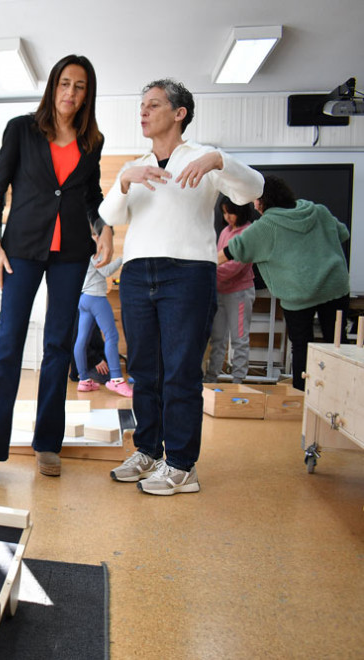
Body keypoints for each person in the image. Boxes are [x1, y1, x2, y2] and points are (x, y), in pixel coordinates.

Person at [100, 79, 263, 496]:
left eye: (153, 105)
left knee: (180, 370)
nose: (143, 112)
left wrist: (218, 161)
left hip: (188, 273)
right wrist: (123, 181)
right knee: (144, 370)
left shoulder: (203, 158)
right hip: (137, 273)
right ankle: (149, 452)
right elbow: (109, 215)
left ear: (179, 113)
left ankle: (182, 465)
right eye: (141, 105)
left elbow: (255, 188)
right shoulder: (134, 165)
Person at [0, 54, 113, 484]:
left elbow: (91, 195)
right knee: (8, 343)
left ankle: (47, 443)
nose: (71, 93)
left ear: (88, 94)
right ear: (53, 86)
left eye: (80, 86)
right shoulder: (21, 129)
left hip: (71, 252)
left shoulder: (92, 141)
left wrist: (103, 228)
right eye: (65, 83)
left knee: (58, 344)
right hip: (22, 249)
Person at [219, 175, 350, 390]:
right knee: (337, 344)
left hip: (299, 294)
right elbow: (342, 233)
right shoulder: (318, 210)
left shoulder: (268, 225)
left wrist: (203, 264)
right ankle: (341, 394)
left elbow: (232, 251)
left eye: (255, 200)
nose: (253, 205)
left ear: (264, 201)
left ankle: (301, 397)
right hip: (334, 286)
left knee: (302, 347)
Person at [205, 199, 257, 383]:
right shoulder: (225, 232)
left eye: (231, 213)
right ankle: (211, 379)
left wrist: (208, 273)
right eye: (225, 212)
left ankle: (238, 382)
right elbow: (218, 260)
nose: (227, 217)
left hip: (240, 294)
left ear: (241, 212)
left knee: (239, 339)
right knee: (217, 339)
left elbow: (234, 267)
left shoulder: (249, 232)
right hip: (220, 292)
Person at [74, 243, 130, 396]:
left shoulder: (81, 249)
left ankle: (84, 380)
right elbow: (105, 271)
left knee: (82, 340)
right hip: (96, 298)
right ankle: (117, 380)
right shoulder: (94, 249)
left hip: (84, 298)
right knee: (112, 336)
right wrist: (122, 259)